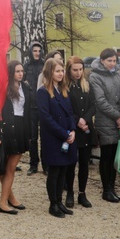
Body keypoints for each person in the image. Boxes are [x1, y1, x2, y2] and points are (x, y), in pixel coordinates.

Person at [0, 60, 31, 215]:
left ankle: (9, 197)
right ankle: (3, 202)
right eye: (18, 71)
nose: (21, 73)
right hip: (6, 129)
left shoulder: (25, 87)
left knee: (10, 168)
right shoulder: (1, 88)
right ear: (11, 73)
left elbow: (28, 111)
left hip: (20, 129)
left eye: (22, 71)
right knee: (7, 168)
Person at [38, 58, 78, 218]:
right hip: (54, 137)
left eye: (62, 71)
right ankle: (53, 204)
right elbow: (46, 118)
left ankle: (60, 202)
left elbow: (70, 113)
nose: (61, 74)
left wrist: (73, 130)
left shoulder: (64, 90)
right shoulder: (42, 92)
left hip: (67, 136)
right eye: (57, 71)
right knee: (54, 171)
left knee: (63, 170)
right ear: (49, 72)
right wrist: (64, 133)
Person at [89, 48, 120, 203]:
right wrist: (118, 116)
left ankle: (112, 187)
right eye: (109, 61)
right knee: (106, 156)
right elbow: (100, 101)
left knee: (114, 156)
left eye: (114, 61)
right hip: (105, 121)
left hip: (119, 120)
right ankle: (106, 190)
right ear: (102, 60)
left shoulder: (117, 74)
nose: (112, 63)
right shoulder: (95, 76)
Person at [65, 56, 96, 208]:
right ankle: (69, 191)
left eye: (80, 69)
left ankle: (82, 193)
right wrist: (78, 120)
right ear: (69, 70)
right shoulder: (65, 87)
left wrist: (86, 119)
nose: (78, 73)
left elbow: (92, 105)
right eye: (75, 70)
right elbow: (66, 109)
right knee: (71, 163)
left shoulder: (87, 85)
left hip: (86, 129)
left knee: (84, 163)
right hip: (72, 129)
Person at [23, 42, 44, 175]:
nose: (37, 53)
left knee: (45, 136)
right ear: (31, 52)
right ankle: (33, 164)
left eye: (39, 51)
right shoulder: (26, 66)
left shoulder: (44, 65)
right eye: (34, 51)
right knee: (32, 137)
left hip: (43, 106)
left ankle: (46, 164)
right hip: (30, 106)